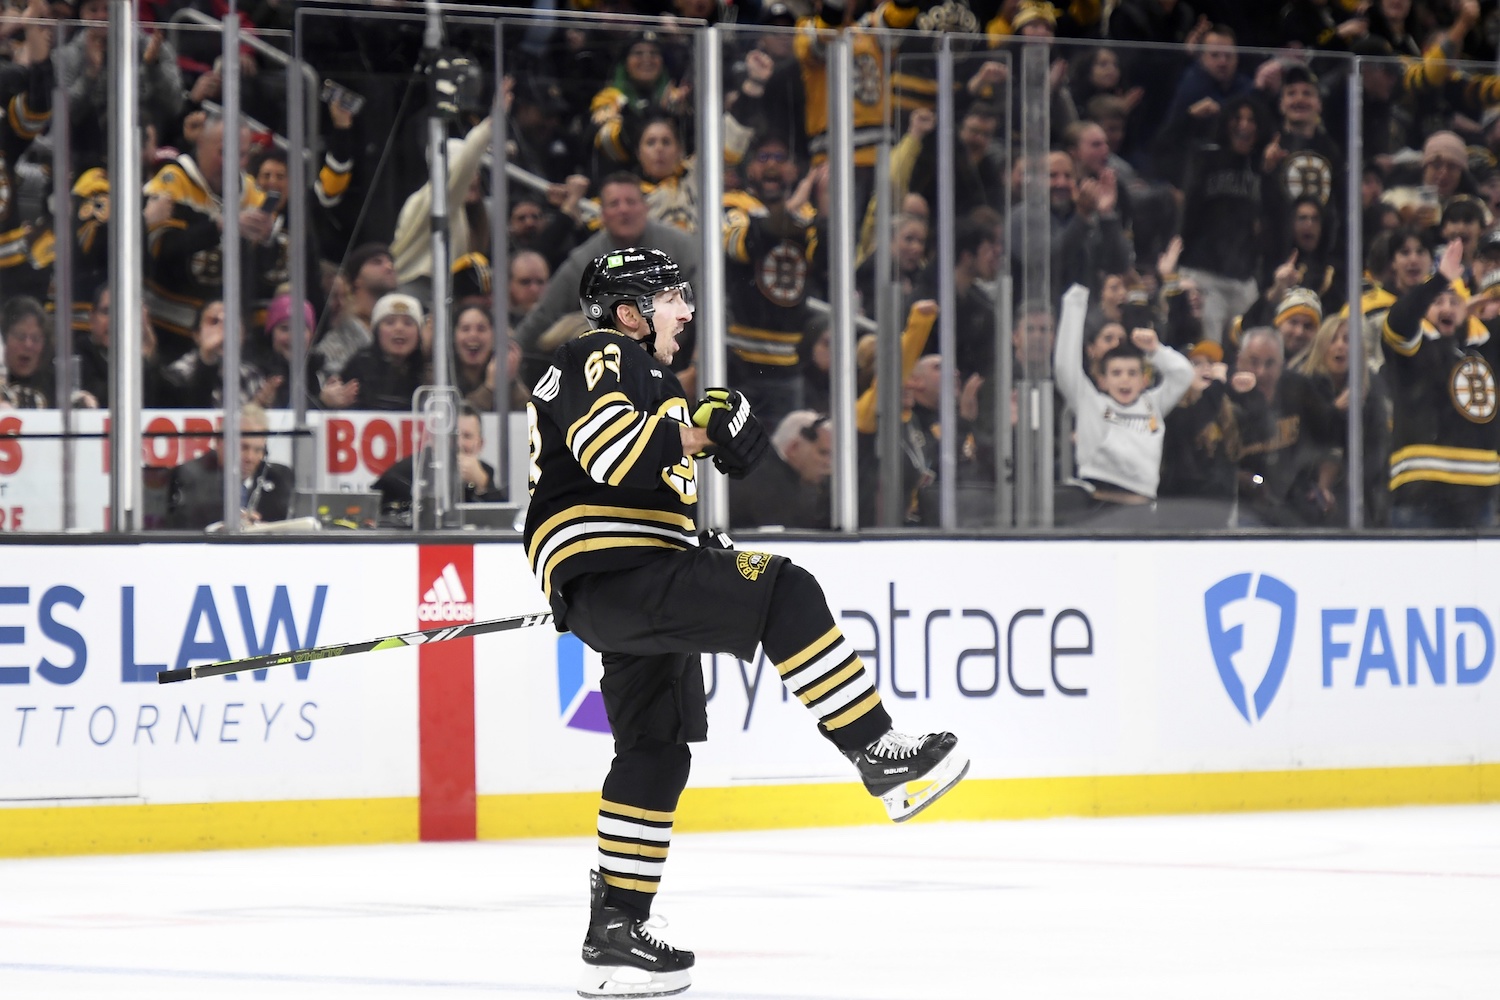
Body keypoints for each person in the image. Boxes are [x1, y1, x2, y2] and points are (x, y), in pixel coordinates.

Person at [524, 248, 966, 998]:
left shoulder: (648, 381)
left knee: (656, 751)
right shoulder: (603, 350)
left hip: (625, 581)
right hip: (622, 576)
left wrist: (699, 441)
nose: (687, 312)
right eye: (671, 299)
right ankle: (875, 750)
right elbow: (608, 456)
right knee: (784, 589)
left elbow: (635, 475)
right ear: (631, 312)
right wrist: (700, 431)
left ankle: (617, 933)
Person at [1381, 237, 1500, 528]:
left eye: (1453, 301)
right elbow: (1399, 320)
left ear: (1467, 309)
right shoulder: (1413, 347)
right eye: (1437, 302)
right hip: (1420, 489)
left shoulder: (1486, 348)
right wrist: (1441, 279)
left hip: (1480, 493)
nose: (1446, 307)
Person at [1054, 307, 1193, 524]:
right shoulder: (1091, 404)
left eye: (1132, 373)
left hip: (1144, 510)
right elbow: (1064, 367)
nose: (1125, 380)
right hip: (1100, 509)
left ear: (1144, 380)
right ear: (1102, 380)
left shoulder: (1153, 405)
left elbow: (1184, 374)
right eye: (1116, 373)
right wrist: (1075, 303)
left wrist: (1155, 351)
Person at [165, 403, 293, 530]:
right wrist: (223, 526)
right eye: (243, 447)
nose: (250, 458)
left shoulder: (280, 477)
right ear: (219, 443)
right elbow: (182, 527)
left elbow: (290, 525)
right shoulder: (191, 476)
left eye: (258, 450)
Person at [372, 402, 500, 520]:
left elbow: (502, 521)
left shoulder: (485, 473)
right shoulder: (404, 472)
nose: (459, 443)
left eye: (467, 436)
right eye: (452, 435)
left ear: (480, 444)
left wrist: (483, 484)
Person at [729, 410, 832, 530]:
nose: (829, 463)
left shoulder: (756, 464)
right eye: (823, 453)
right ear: (793, 448)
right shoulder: (769, 486)